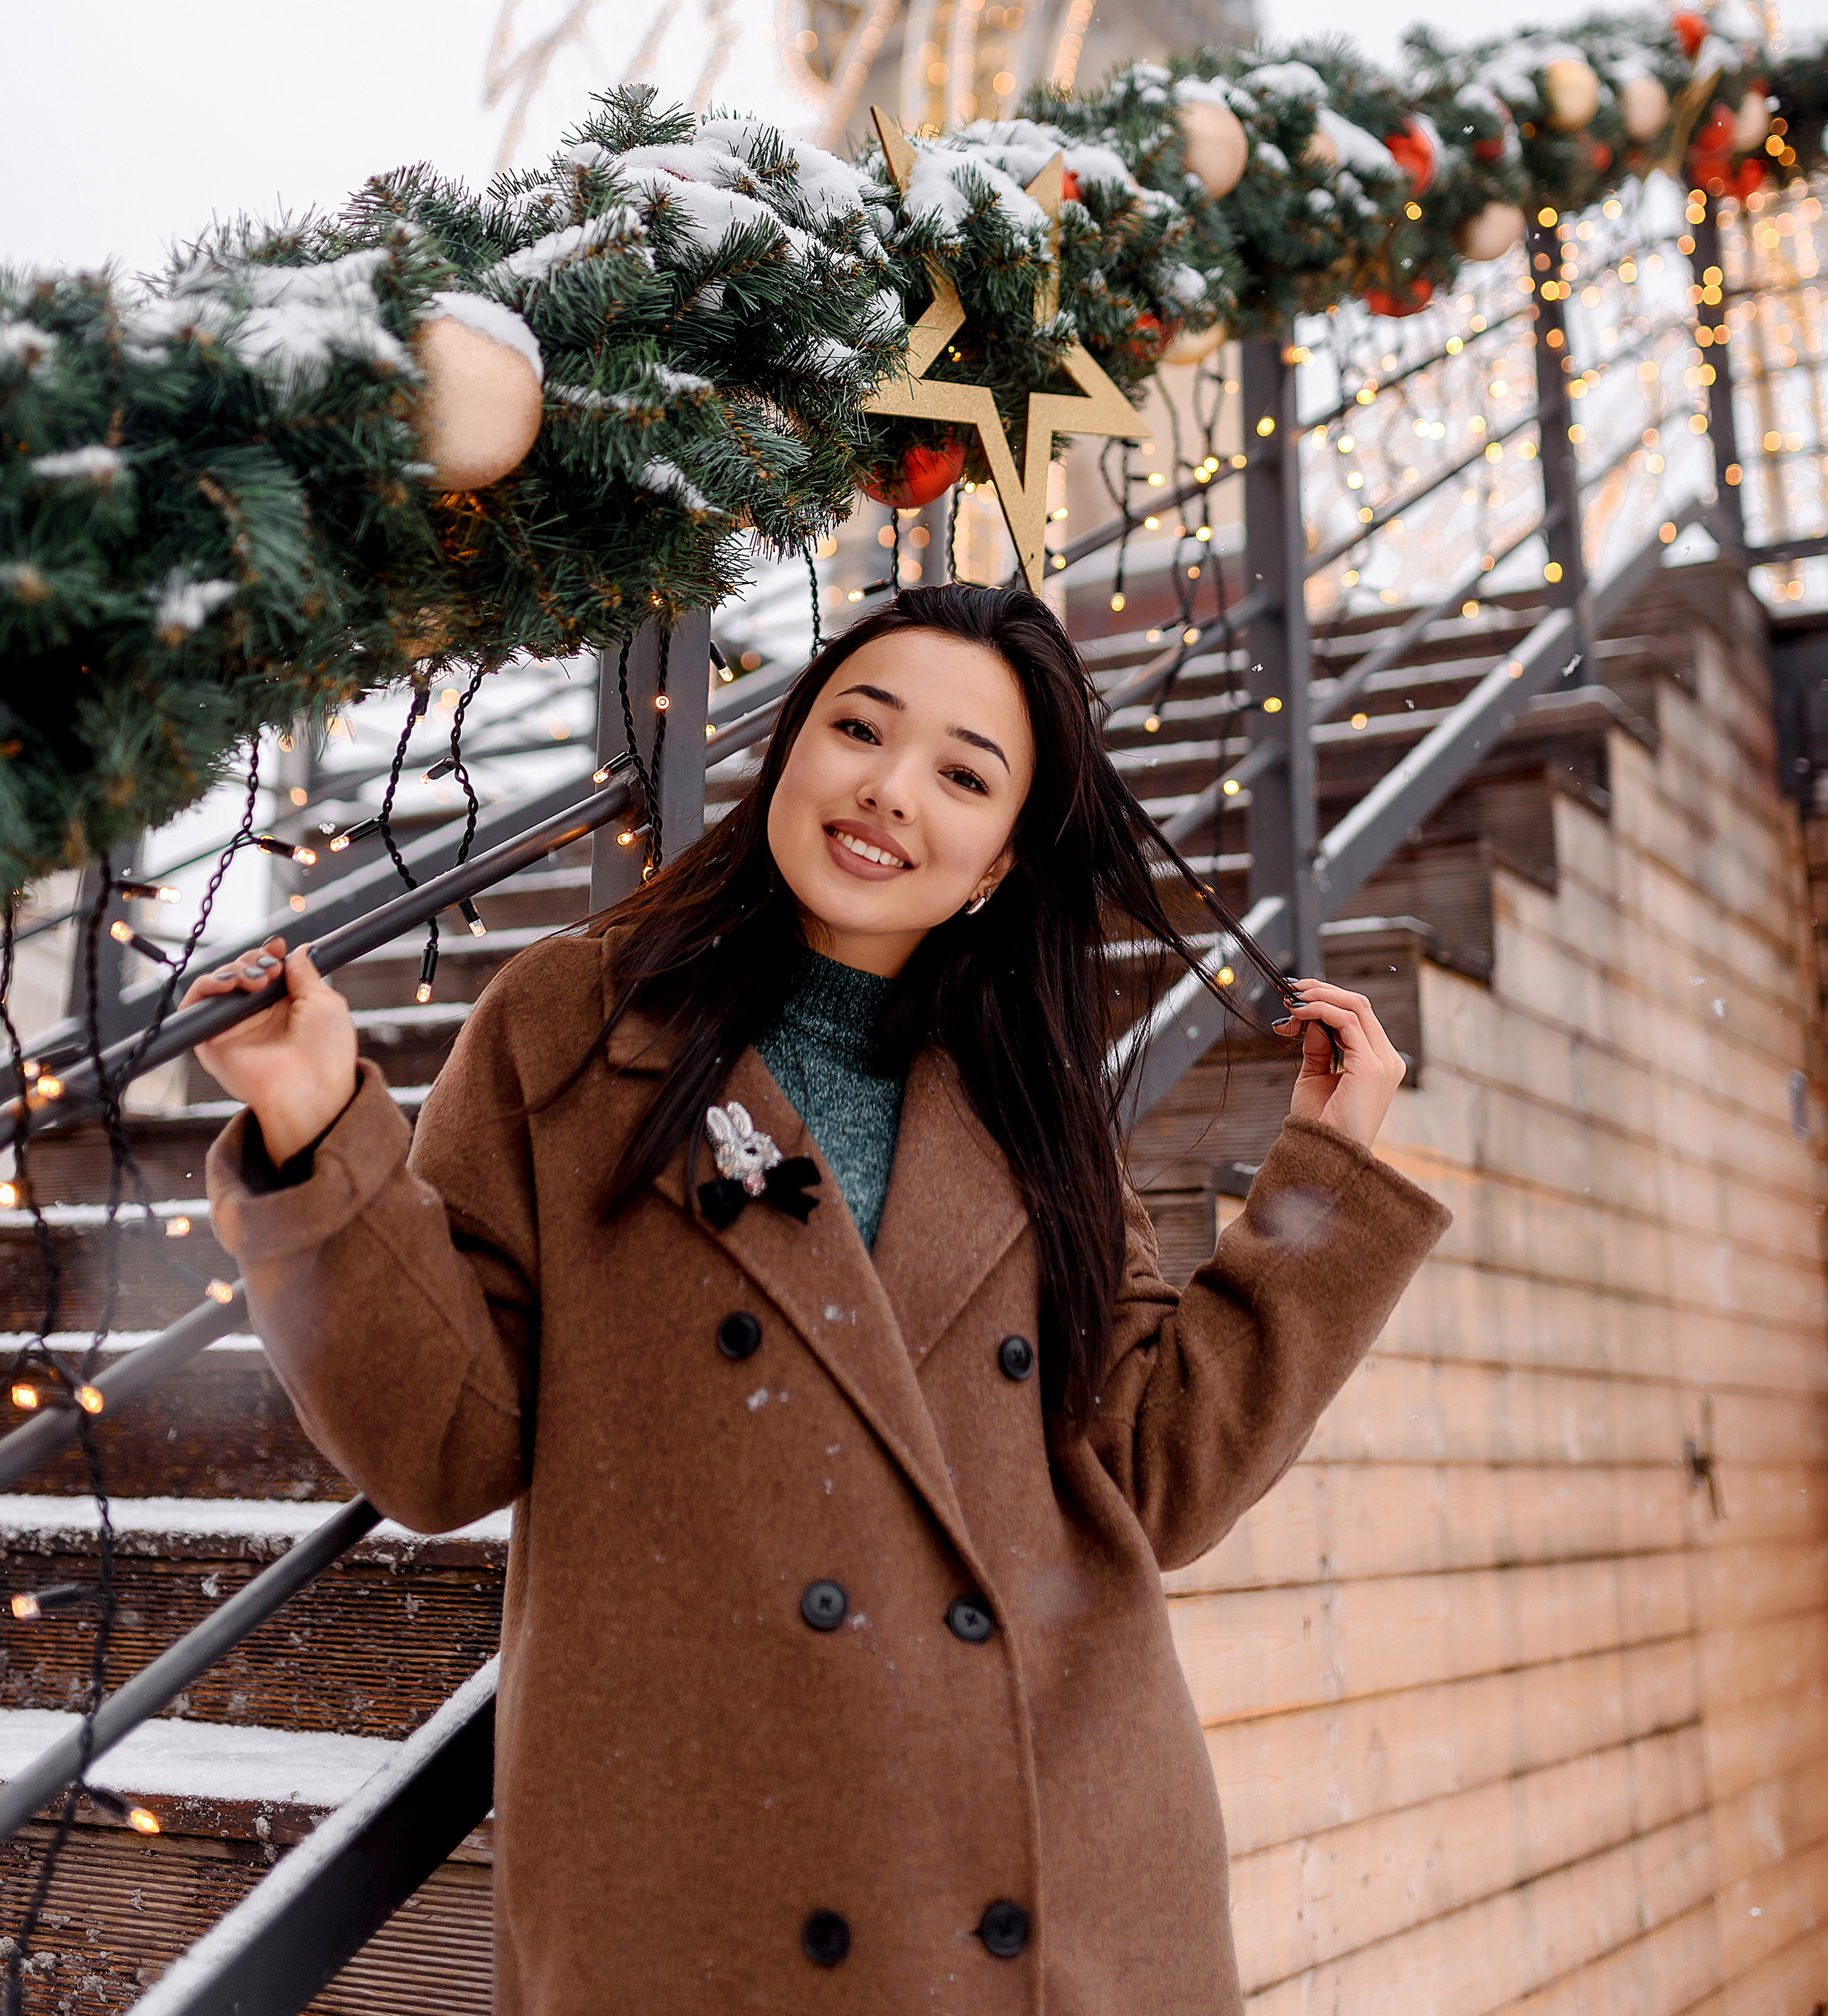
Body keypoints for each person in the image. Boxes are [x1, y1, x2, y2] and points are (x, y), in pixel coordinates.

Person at [192, 581, 1449, 2015]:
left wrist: (1322, 1181)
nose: (888, 789)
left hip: (1043, 1879)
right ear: (789, 746)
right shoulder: (571, 1024)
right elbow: (443, 1444)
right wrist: (315, 1133)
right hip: (700, 1875)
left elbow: (1159, 1471)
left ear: (996, 860)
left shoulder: (1032, 1105)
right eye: (859, 727)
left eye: (963, 775)